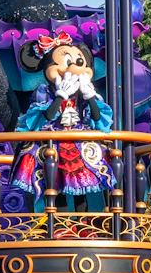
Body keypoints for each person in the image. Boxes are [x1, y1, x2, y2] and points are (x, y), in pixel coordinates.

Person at [10, 33, 115, 212]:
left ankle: (83, 228)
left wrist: (90, 97)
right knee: (57, 190)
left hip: (80, 146)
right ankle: (60, 227)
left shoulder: (84, 93)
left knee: (80, 189)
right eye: (67, 61)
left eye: (80, 62)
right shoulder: (44, 92)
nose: (74, 67)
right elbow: (49, 115)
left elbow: (98, 118)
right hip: (53, 146)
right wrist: (60, 96)